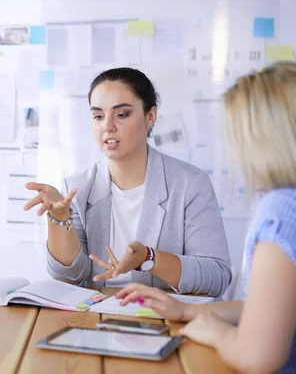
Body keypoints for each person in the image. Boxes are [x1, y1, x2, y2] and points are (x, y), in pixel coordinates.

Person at [116, 62, 296, 373]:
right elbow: (268, 309)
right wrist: (185, 310)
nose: (234, 154)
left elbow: (258, 356)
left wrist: (215, 331)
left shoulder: (278, 213)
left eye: (238, 138)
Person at [24, 67, 231, 296]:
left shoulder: (190, 184)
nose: (108, 126)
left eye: (121, 115)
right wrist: (59, 220)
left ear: (150, 116)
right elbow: (69, 277)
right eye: (98, 116)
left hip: (163, 320)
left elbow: (217, 277)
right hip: (94, 319)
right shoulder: (77, 188)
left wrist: (149, 258)